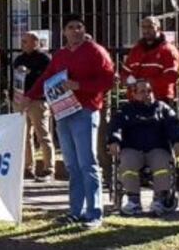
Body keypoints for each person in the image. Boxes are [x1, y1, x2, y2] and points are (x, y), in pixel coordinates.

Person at [27, 14, 115, 228]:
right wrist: (29, 95)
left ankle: (94, 213)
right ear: (64, 32)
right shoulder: (60, 55)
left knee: (87, 163)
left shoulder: (95, 51)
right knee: (72, 166)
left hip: (85, 111)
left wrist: (80, 85)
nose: (76, 31)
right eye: (71, 27)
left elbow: (109, 79)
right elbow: (46, 77)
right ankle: (75, 211)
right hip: (63, 113)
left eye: (79, 27)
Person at [109, 78, 179, 217]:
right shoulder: (126, 110)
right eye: (142, 91)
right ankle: (134, 202)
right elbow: (116, 126)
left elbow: (174, 125)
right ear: (134, 94)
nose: (147, 94)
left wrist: (178, 141)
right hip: (132, 148)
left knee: (162, 163)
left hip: (157, 148)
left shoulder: (162, 108)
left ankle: (159, 201)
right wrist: (114, 141)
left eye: (149, 91)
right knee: (127, 163)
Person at [12, 32, 54, 181]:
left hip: (37, 101)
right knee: (24, 135)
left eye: (25, 41)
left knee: (42, 134)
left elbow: (47, 80)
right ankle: (28, 167)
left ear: (35, 42)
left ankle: (49, 168)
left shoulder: (44, 59)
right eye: (22, 41)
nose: (22, 44)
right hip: (21, 100)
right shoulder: (19, 59)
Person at [120, 16, 179, 104]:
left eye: (150, 27)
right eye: (143, 27)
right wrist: (129, 82)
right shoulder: (135, 50)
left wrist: (146, 84)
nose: (146, 30)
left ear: (158, 28)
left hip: (160, 100)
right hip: (136, 101)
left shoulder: (168, 50)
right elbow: (125, 73)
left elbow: (171, 76)